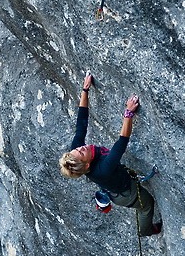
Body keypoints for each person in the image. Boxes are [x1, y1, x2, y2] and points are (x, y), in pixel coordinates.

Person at [59, 73, 162, 236]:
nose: (82, 148)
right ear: (86, 165)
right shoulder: (103, 169)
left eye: (78, 149)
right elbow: (121, 143)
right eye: (81, 152)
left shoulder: (75, 155)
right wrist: (128, 114)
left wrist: (85, 90)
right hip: (125, 194)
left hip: (115, 183)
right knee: (147, 204)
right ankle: (146, 230)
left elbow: (81, 122)